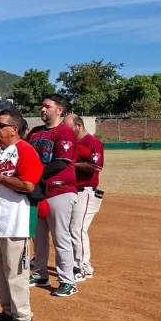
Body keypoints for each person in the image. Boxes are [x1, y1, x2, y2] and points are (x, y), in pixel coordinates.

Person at [0, 109, 43, 321]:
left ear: (14, 129)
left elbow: (28, 185)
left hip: (16, 220)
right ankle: (7, 311)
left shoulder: (25, 150)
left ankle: (23, 316)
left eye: (0, 125)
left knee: (16, 271)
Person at [27, 94, 78, 297]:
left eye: (47, 106)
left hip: (60, 190)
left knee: (60, 237)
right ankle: (40, 274)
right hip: (39, 191)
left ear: (59, 110)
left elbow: (61, 162)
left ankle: (67, 280)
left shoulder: (64, 132)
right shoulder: (36, 133)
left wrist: (34, 175)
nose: (43, 109)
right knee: (38, 237)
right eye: (42, 106)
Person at [64, 114, 104, 281]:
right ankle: (76, 264)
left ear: (78, 126)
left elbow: (96, 166)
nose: (66, 131)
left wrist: (71, 165)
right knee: (71, 229)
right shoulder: (73, 143)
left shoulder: (92, 142)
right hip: (73, 190)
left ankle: (83, 267)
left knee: (78, 229)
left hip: (86, 191)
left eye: (68, 127)